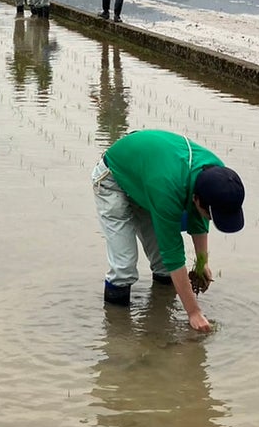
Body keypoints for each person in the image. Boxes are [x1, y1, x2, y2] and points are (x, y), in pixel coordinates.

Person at [91, 129, 245, 332]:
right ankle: (118, 335)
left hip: (147, 180)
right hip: (114, 179)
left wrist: (202, 263)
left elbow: (199, 216)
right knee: (124, 267)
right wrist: (193, 313)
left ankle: (159, 322)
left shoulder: (218, 177)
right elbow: (173, 253)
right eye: (211, 214)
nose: (209, 218)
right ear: (197, 200)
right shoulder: (168, 190)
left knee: (164, 268)